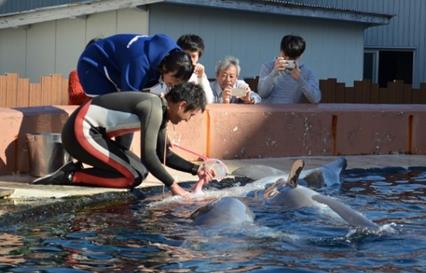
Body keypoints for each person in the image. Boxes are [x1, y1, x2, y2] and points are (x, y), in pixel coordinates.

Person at [33, 83, 213, 197]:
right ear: (182, 105)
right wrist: (174, 186)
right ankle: (71, 175)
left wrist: (196, 169)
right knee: (130, 176)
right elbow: (149, 156)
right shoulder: (153, 108)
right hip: (79, 132)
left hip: (94, 134)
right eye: (191, 114)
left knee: (140, 172)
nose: (188, 119)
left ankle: (76, 173)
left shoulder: (162, 111)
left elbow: (163, 154)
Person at [77, 33, 194, 150]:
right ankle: (113, 152)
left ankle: (121, 151)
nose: (173, 85)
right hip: (94, 66)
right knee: (115, 112)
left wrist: (162, 134)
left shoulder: (173, 54)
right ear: (165, 68)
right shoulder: (139, 64)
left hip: (118, 67)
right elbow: (129, 104)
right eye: (174, 79)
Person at [257, 34, 321, 104]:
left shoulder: (306, 72)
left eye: (292, 58)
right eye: (285, 56)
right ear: (281, 51)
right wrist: (274, 73)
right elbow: (262, 93)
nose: (287, 60)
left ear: (300, 55)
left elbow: (316, 99)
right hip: (269, 114)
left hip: (292, 113)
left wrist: (300, 79)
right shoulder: (268, 67)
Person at [176, 34, 214, 104]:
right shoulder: (172, 70)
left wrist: (201, 77)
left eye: (193, 56)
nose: (189, 59)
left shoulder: (199, 74)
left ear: (198, 57)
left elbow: (209, 100)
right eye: (186, 55)